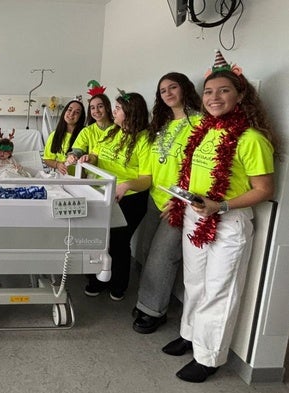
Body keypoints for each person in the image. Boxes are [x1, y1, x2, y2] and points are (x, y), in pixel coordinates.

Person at [162, 51, 277, 383]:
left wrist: (221, 206)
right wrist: (179, 200)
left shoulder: (251, 139)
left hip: (228, 222)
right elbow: (194, 177)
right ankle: (190, 335)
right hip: (194, 216)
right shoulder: (204, 132)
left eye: (224, 90)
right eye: (209, 92)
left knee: (219, 291)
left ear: (240, 95)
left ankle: (209, 356)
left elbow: (264, 189)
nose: (214, 97)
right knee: (194, 283)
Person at [132, 72, 202, 334]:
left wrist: (183, 197)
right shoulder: (160, 125)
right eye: (163, 90)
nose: (168, 93)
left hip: (179, 202)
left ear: (185, 89)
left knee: (163, 257)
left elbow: (200, 166)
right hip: (155, 197)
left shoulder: (199, 123)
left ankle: (153, 311)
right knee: (147, 251)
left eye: (173, 87)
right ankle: (146, 301)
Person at [68, 89, 152, 301]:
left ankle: (118, 285)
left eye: (117, 109)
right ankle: (96, 280)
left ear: (130, 112)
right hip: (102, 193)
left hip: (129, 198)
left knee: (118, 242)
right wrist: (89, 159)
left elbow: (147, 178)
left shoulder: (144, 140)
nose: (113, 112)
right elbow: (98, 155)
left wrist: (127, 185)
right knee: (97, 239)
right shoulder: (112, 132)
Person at [42, 99, 86, 175]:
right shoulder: (55, 135)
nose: (72, 114)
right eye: (69, 110)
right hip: (61, 177)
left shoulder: (84, 134)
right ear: (64, 112)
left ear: (80, 117)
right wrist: (57, 164)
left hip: (79, 178)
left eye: (77, 112)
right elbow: (47, 159)